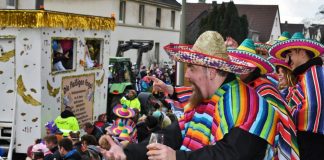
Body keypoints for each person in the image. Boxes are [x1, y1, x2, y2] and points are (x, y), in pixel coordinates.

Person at [99, 31, 281, 160]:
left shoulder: (248, 105)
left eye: (192, 68)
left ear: (210, 71)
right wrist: (127, 152)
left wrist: (176, 157)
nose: (186, 76)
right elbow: (171, 135)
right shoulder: (206, 100)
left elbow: (231, 155)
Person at [228, 39, 299, 159]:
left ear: (252, 68)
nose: (237, 69)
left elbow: (280, 124)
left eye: (241, 65)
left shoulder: (265, 89)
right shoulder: (244, 86)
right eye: (236, 64)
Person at [269, 32, 324, 160]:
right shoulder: (305, 75)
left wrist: (284, 117)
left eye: (290, 55)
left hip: (312, 144)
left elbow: (314, 107)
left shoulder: (315, 72)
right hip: (307, 142)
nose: (287, 61)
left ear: (302, 52)